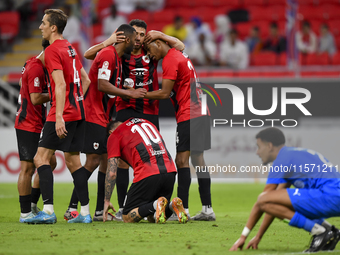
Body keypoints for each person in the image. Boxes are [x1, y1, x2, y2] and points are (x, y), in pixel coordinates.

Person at [83, 19, 185, 220]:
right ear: (128, 35)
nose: (138, 38)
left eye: (142, 34)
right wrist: (109, 40)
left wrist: (161, 36)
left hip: (149, 110)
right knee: (121, 162)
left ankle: (157, 206)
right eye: (136, 34)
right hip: (124, 109)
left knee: (154, 156)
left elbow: (180, 47)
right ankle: (123, 207)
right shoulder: (120, 52)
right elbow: (88, 54)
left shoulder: (151, 53)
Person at [64, 24, 146, 222]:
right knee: (92, 162)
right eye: (134, 38)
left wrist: (123, 88)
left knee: (105, 161)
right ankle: (71, 208)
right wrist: (129, 92)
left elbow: (107, 87)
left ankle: (101, 210)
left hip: (103, 117)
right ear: (125, 39)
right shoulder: (108, 54)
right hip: (93, 116)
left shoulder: (116, 58)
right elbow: (101, 84)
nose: (137, 42)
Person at [25, 9, 91, 224]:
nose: (40, 26)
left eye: (43, 23)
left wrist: (60, 115)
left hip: (61, 113)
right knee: (73, 162)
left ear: (53, 27)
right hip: (78, 111)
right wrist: (75, 104)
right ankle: (84, 214)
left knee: (40, 158)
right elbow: (86, 81)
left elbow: (60, 84)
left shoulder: (54, 50)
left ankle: (49, 211)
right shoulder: (70, 48)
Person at [230, 127, 340, 252]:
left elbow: (263, 200)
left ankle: (319, 231)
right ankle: (330, 231)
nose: (257, 152)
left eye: (259, 147)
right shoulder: (293, 155)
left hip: (329, 195)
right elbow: (271, 203)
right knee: (272, 200)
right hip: (332, 195)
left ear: (269, 146)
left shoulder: (282, 159)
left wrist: (243, 236)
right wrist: (258, 236)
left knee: (263, 198)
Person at [143, 39, 215, 221]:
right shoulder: (180, 53)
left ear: (158, 44)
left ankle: (184, 210)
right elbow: (179, 43)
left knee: (181, 159)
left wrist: (139, 93)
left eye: (149, 49)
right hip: (202, 110)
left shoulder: (169, 59)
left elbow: (165, 93)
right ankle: (208, 210)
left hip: (189, 114)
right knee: (198, 160)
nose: (149, 54)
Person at [103, 118, 188, 224]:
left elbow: (112, 173)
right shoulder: (147, 122)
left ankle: (156, 203)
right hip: (170, 171)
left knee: (127, 217)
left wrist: (106, 200)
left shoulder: (115, 134)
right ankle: (171, 206)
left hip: (148, 173)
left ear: (110, 132)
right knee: (152, 217)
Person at [15, 39, 57, 223]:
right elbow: (35, 98)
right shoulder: (36, 68)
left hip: (38, 123)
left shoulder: (33, 64)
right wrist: (57, 94)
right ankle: (25, 212)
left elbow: (20, 81)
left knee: (51, 162)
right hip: (28, 124)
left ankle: (32, 204)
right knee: (28, 168)